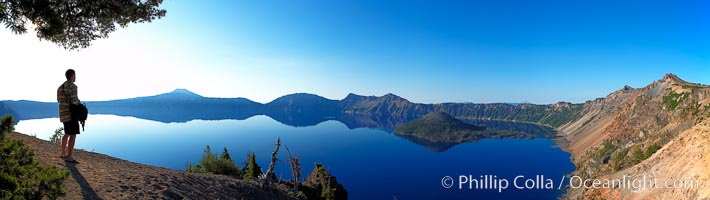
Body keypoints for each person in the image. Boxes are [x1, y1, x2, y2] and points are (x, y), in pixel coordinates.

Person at [57, 69, 81, 163]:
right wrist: (80, 106)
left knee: (67, 133)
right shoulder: (73, 87)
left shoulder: (60, 87)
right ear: (71, 76)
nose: (75, 77)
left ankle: (63, 153)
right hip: (71, 114)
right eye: (75, 75)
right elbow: (75, 101)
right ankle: (70, 157)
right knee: (73, 135)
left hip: (63, 113)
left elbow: (58, 100)